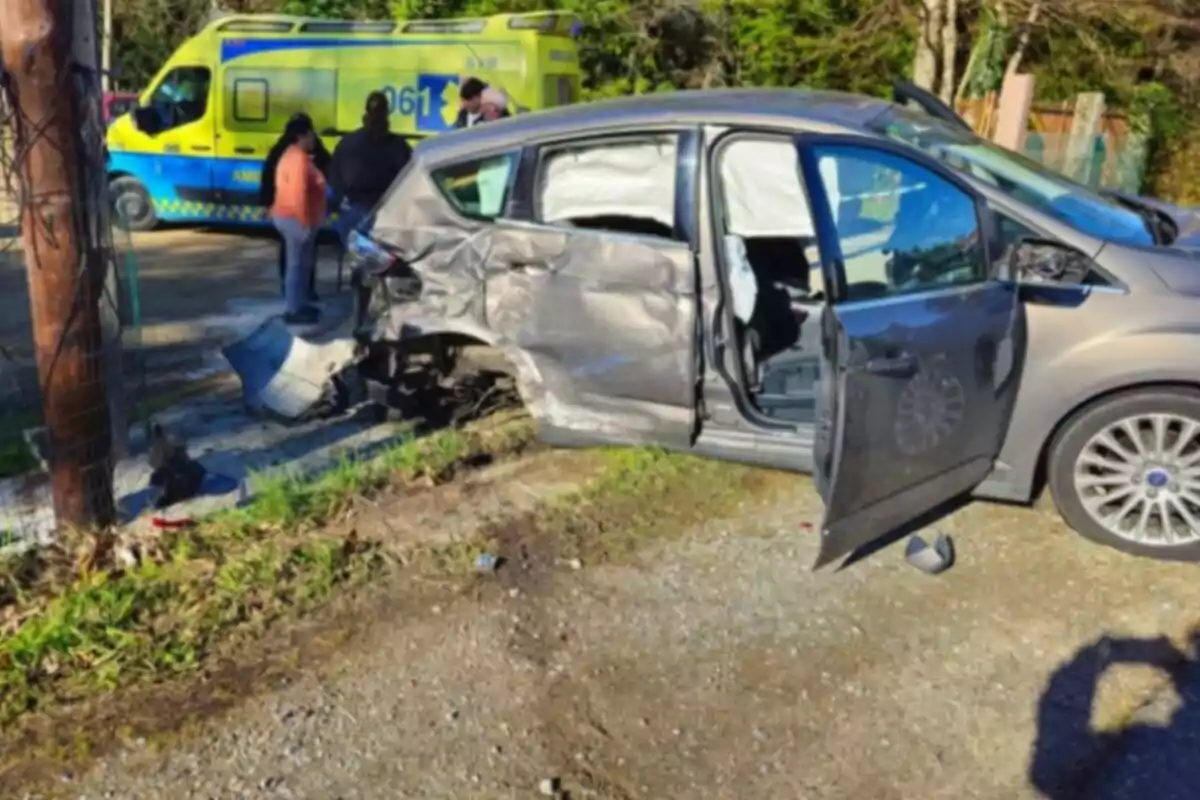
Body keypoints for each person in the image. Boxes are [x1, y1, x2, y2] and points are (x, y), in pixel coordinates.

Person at [328, 92, 414, 250]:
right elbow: (409, 180)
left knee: (360, 254)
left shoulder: (348, 143)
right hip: (383, 211)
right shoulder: (398, 146)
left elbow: (334, 179)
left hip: (361, 209)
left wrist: (339, 204)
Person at [260, 113, 331, 300]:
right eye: (310, 132)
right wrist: (305, 223)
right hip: (296, 216)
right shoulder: (297, 157)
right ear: (302, 134)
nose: (314, 137)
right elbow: (298, 193)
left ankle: (298, 294)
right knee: (296, 262)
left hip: (295, 214)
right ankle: (297, 299)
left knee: (299, 260)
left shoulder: (287, 151)